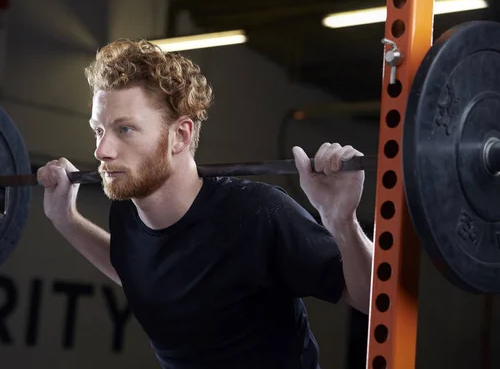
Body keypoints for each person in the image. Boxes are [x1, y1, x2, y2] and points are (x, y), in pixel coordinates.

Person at [37, 39, 373, 369]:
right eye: (99, 130)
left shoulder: (256, 215)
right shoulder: (127, 214)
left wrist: (342, 222)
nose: (102, 151)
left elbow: (373, 299)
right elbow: (142, 272)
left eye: (124, 129)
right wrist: (66, 219)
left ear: (180, 136)